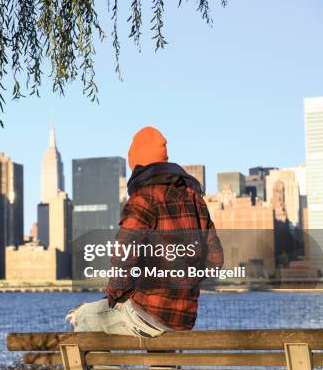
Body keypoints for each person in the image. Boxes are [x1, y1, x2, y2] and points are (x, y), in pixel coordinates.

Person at [67, 126, 224, 337]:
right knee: (162, 362)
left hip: (148, 312)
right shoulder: (195, 200)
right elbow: (215, 260)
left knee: (84, 317)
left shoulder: (143, 198)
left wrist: (115, 296)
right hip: (184, 318)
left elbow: (124, 257)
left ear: (137, 163)